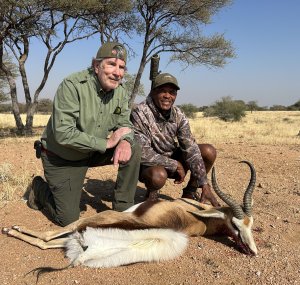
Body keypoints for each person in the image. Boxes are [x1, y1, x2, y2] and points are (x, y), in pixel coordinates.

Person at [27, 42, 141, 226]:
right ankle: (38, 189)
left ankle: (123, 210)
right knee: (69, 220)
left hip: (91, 152)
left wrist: (125, 140)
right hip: (62, 158)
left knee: (133, 147)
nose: (117, 72)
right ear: (96, 66)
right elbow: (63, 134)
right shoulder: (72, 85)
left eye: (122, 67)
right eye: (111, 64)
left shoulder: (120, 92)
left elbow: (125, 124)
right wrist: (107, 143)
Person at [130, 73, 220, 207]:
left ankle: (190, 192)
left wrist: (204, 184)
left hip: (171, 157)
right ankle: (151, 196)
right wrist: (175, 165)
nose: (168, 96)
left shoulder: (178, 114)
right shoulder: (140, 112)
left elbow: (190, 148)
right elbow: (142, 153)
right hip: (149, 166)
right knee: (157, 175)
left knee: (208, 151)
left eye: (172, 92)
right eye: (163, 91)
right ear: (154, 92)